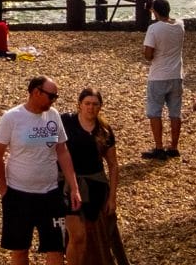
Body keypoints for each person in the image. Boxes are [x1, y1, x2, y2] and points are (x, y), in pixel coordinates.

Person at [0, 76, 83, 265]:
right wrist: (4, 190)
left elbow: (62, 151)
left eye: (55, 97)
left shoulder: (53, 115)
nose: (53, 101)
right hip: (18, 194)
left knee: (56, 249)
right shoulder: (12, 117)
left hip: (50, 193)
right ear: (35, 92)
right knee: (20, 250)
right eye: (51, 96)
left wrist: (74, 187)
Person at [60, 88, 122, 265]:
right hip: (68, 185)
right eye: (87, 103)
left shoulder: (104, 130)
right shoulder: (66, 122)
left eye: (95, 104)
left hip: (95, 187)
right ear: (79, 104)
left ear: (100, 107)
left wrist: (112, 198)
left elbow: (113, 164)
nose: (91, 107)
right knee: (76, 235)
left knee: (94, 235)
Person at [141, 0, 186, 159]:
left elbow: (148, 55)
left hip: (158, 75)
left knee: (155, 112)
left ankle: (159, 147)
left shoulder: (154, 29)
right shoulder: (180, 25)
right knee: (175, 113)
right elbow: (170, 21)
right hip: (176, 75)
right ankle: (174, 146)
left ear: (154, 11)